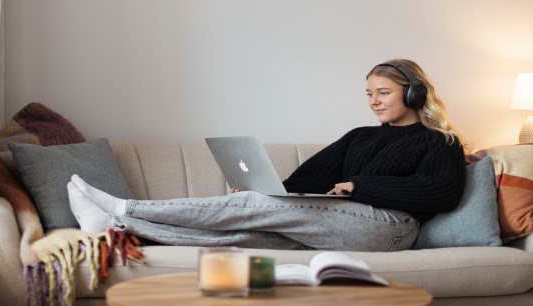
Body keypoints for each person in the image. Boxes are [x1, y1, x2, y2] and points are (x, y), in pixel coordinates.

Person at [67, 59, 466, 252]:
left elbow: (438, 193)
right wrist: (272, 190)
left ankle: (124, 206)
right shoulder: (360, 136)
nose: (374, 102)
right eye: (368, 94)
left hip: (392, 228)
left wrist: (360, 184)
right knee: (245, 236)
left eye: (383, 93)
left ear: (413, 93)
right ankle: (116, 225)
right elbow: (309, 178)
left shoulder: (439, 142)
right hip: (343, 223)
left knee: (255, 209)